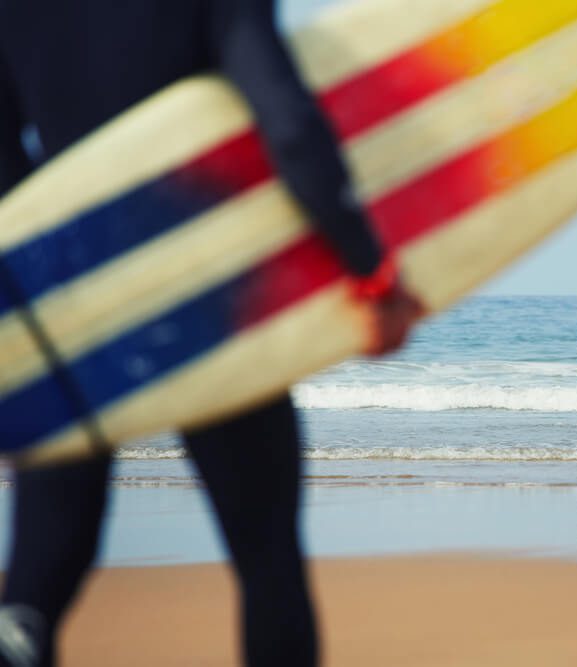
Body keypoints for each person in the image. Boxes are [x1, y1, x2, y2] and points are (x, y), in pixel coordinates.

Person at [0, 1, 422, 665]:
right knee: (266, 556)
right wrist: (367, 265)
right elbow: (286, 121)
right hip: (208, 297)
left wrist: (38, 309)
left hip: (73, 311)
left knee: (38, 579)